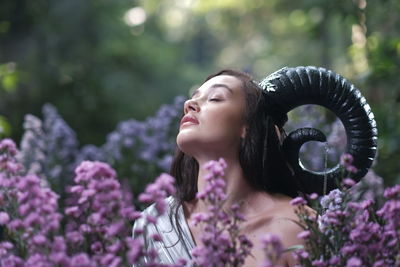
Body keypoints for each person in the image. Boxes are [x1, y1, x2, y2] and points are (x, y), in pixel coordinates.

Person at [133, 69, 306, 267]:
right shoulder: (155, 223)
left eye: (215, 98)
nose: (189, 104)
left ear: (248, 126)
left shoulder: (295, 225)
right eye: (193, 97)